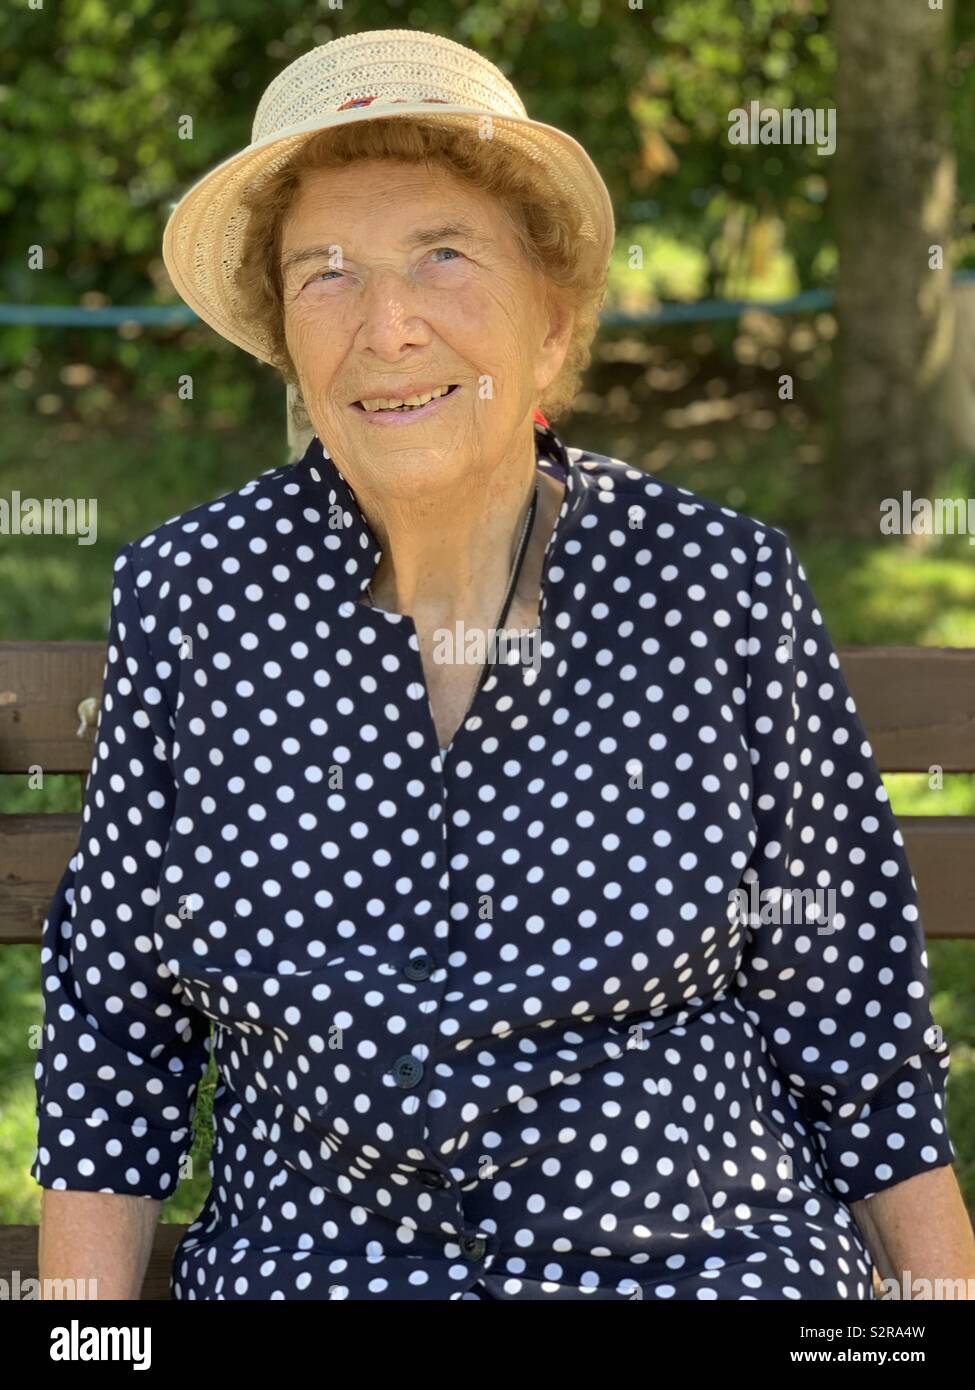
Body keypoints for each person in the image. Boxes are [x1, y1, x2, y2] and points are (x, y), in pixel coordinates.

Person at [33, 28, 974, 1301]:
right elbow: (113, 1034)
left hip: (700, 1266)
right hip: (323, 1275)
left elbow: (850, 1010)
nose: (391, 324)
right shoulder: (195, 600)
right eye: (327, 274)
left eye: (443, 255)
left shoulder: (716, 588)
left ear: (553, 323)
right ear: (287, 345)